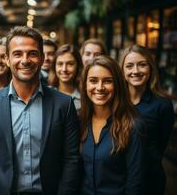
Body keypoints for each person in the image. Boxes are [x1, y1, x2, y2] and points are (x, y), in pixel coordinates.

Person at [0, 26, 82, 195]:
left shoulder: (64, 105)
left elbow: (71, 160)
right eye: (17, 54)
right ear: (8, 59)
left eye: (32, 53)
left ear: (42, 58)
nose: (25, 60)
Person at [79, 55, 146, 194]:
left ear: (117, 85)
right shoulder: (78, 120)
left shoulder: (133, 126)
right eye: (93, 81)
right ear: (85, 84)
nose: (100, 87)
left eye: (108, 81)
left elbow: (135, 182)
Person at [120, 44, 175, 195]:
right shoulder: (115, 101)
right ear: (122, 71)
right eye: (129, 66)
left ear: (150, 68)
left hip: (149, 179)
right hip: (116, 176)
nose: (136, 71)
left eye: (142, 65)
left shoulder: (163, 105)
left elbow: (160, 147)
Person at [50, 44, 83, 110]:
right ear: (54, 67)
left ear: (78, 66)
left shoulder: (84, 97)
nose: (64, 69)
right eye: (60, 64)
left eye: (70, 64)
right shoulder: (45, 94)